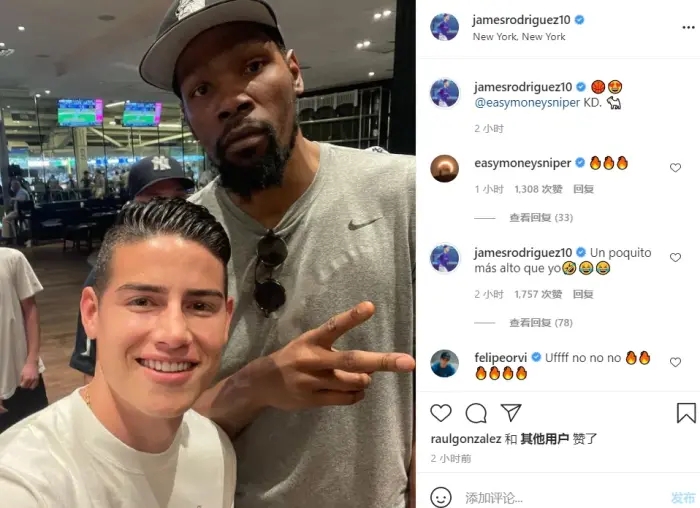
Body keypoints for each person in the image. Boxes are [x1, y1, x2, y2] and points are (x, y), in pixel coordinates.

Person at [138, 0, 416, 506]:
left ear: (294, 72)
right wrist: (254, 386)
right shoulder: (172, 241)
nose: (231, 101)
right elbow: (149, 429)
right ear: (189, 119)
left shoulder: (404, 193)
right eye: (202, 89)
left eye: (251, 66)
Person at [0, 198, 237, 507]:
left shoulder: (216, 449)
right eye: (142, 302)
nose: (174, 334)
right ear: (91, 313)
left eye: (200, 306)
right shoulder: (22, 484)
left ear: (226, 320)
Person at [69, 155, 195, 382]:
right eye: (155, 199)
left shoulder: (201, 266)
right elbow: (92, 369)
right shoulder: (107, 274)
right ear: (133, 206)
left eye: (178, 198)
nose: (169, 209)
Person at [0, 247, 47, 433]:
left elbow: (30, 310)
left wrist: (32, 360)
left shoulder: (12, 259)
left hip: (21, 373)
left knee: (37, 434)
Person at [1, 180, 31, 244]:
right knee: (11, 221)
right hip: (19, 211)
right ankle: (13, 236)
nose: (12, 188)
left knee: (5, 219)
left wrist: (13, 199)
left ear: (16, 186)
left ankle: (7, 237)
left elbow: (22, 200)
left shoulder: (22, 192)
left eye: (12, 186)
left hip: (20, 212)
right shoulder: (20, 191)